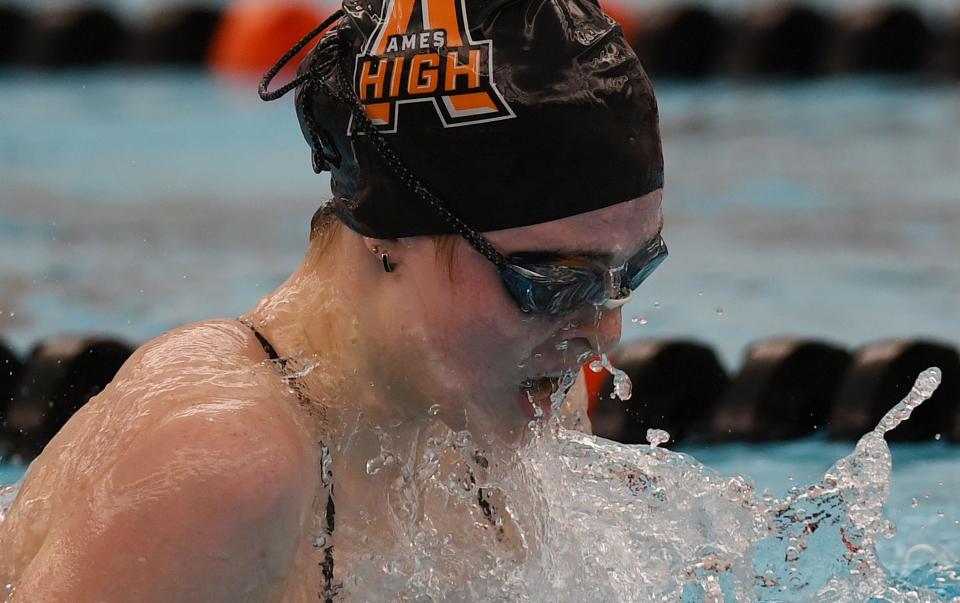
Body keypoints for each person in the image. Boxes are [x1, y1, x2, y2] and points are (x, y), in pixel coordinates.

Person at [0, 0, 666, 600]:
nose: (604, 332)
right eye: (553, 283)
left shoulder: (512, 405)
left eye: (629, 273)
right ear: (394, 234)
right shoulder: (215, 462)